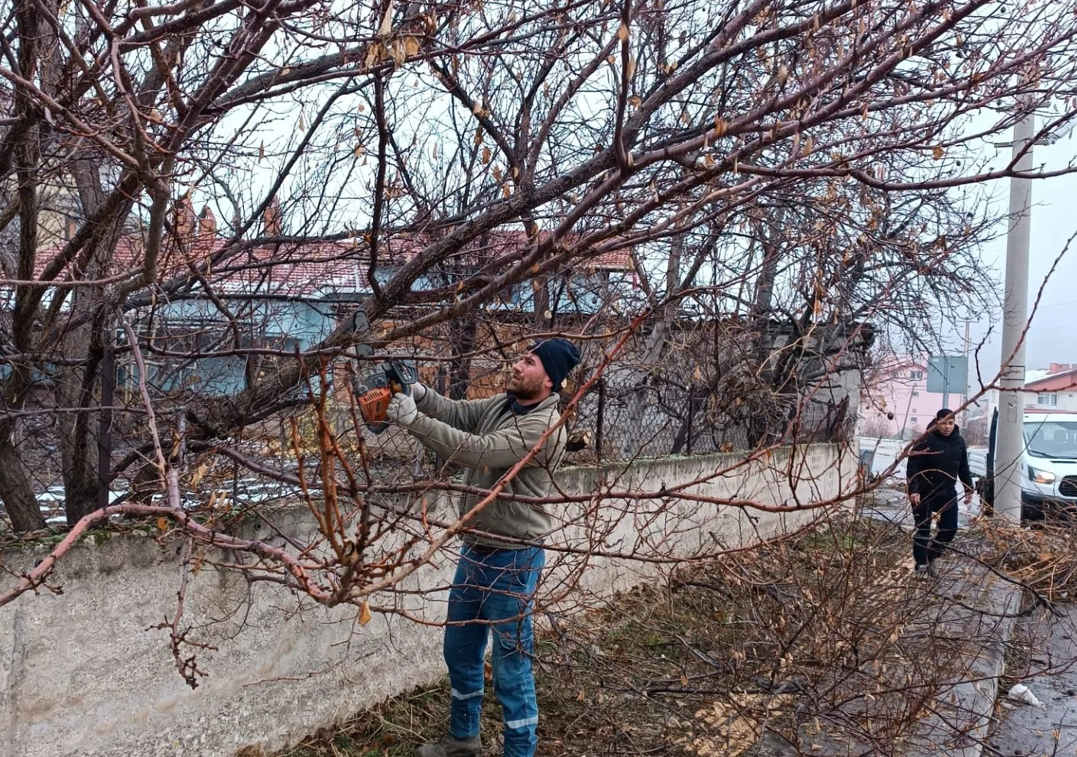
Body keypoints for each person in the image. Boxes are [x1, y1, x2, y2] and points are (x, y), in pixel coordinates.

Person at [385, 337, 582, 757]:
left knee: (511, 669)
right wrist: (419, 394)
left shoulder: (543, 427)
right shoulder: (504, 404)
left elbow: (479, 452)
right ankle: (463, 739)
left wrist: (412, 421)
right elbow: (456, 412)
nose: (516, 365)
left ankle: (519, 752)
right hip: (475, 550)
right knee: (459, 651)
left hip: (514, 558)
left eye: (527, 361)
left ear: (549, 379)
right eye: (519, 356)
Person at [905, 408, 974, 578]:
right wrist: (913, 490)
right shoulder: (925, 440)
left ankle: (931, 557)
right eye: (944, 423)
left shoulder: (959, 441)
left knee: (950, 529)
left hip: (947, 491)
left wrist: (968, 488)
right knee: (924, 530)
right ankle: (920, 565)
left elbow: (963, 467)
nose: (947, 427)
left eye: (950, 423)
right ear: (937, 422)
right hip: (925, 492)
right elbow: (912, 467)